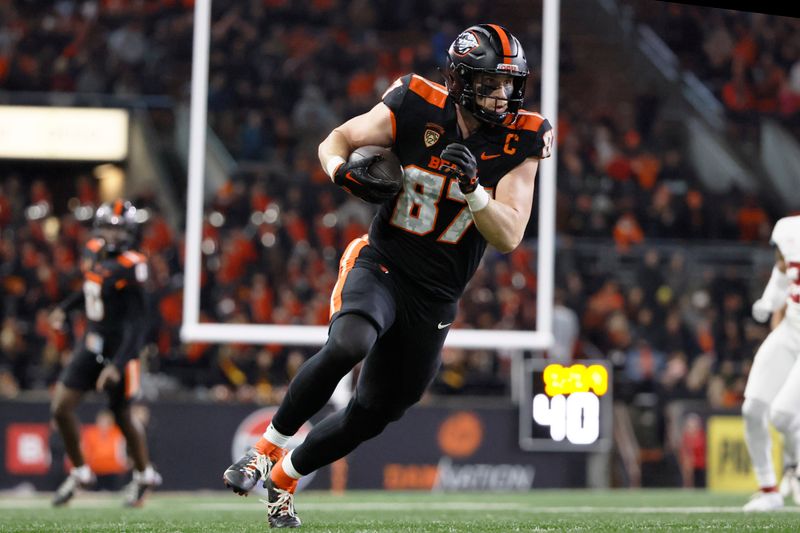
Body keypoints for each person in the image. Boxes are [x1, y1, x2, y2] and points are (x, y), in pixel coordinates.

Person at [223, 24, 553, 528]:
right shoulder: (415, 103)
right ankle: (265, 449)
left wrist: (474, 189)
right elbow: (339, 139)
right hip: (384, 262)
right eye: (490, 83)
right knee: (350, 341)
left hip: (438, 296)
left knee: (374, 412)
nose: (502, 94)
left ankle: (285, 477)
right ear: (460, 80)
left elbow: (508, 234)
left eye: (509, 83)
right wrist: (339, 171)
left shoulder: (524, 136)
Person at [50, 199, 162, 507]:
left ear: (129, 230)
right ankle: (81, 471)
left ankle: (144, 475)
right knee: (61, 407)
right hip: (92, 342)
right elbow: (91, 287)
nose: (111, 236)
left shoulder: (134, 263)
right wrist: (65, 308)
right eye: (107, 228)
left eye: (118, 229)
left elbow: (139, 322)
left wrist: (119, 363)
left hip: (121, 349)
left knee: (122, 416)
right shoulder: (93, 250)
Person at [742, 214, 800, 511]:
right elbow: (782, 272)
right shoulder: (789, 229)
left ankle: (796, 467)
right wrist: (768, 303)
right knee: (753, 409)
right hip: (791, 328)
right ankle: (769, 490)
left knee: (782, 415)